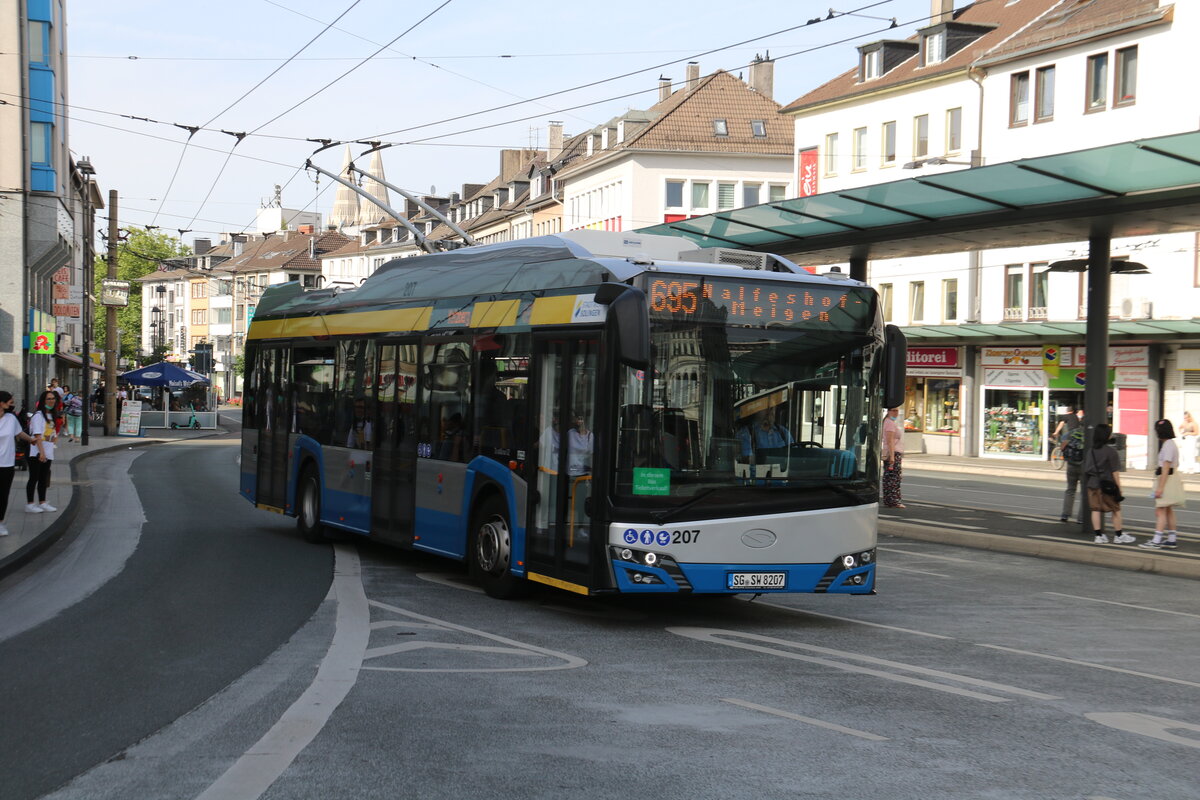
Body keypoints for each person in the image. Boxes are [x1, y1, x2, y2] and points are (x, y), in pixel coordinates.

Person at [1084, 422, 1133, 544]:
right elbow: (1115, 472)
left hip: (1092, 484)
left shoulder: (1091, 451)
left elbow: (1087, 469)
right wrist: (1119, 488)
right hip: (1108, 485)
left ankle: (1098, 536)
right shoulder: (1111, 452)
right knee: (1115, 509)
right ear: (1106, 436)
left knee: (1095, 510)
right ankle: (1119, 535)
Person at [1141, 419, 1186, 550]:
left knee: (1160, 510)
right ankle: (1172, 539)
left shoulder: (1167, 445)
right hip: (1172, 478)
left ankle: (1156, 540)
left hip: (1166, 480)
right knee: (1168, 510)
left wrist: (1160, 489)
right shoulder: (1171, 444)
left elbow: (1165, 468)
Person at [0, 391, 36, 536]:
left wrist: (32, 440)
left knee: (3, 495)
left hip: (7, 464)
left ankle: (0, 523)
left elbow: (19, 433)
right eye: (10, 401)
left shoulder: (11, 418)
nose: (12, 403)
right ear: (1, 403)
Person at [25, 390, 60, 514]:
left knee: (43, 478)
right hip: (36, 451)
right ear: (43, 401)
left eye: (53, 399)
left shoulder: (51, 415)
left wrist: (54, 439)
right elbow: (37, 435)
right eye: (48, 399)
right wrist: (42, 452)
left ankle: (42, 502)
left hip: (48, 450)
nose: (51, 401)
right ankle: (30, 504)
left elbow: (51, 433)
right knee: (34, 477)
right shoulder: (38, 416)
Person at [1056, 407, 1086, 522]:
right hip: (1083, 466)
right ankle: (1081, 518)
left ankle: (1065, 514)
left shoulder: (1072, 433)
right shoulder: (1089, 435)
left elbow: (1063, 447)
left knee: (1070, 490)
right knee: (1084, 492)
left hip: (1071, 465)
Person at [881, 406, 905, 508]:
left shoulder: (887, 422)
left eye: (897, 411)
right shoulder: (889, 423)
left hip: (893, 452)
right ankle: (893, 500)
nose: (896, 413)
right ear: (888, 411)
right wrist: (892, 457)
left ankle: (890, 500)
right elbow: (890, 441)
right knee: (893, 477)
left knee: (890, 476)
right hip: (893, 453)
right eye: (893, 410)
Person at [1178, 411, 1199, 475]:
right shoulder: (1184, 423)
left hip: (1191, 439)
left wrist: (1188, 433)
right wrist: (1181, 432)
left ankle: (1191, 468)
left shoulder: (1194, 423)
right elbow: (1179, 427)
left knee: (1191, 453)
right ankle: (1186, 468)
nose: (1186, 419)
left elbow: (1196, 433)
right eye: (1184, 418)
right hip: (1185, 440)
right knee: (1185, 453)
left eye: (1187, 418)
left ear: (1189, 417)